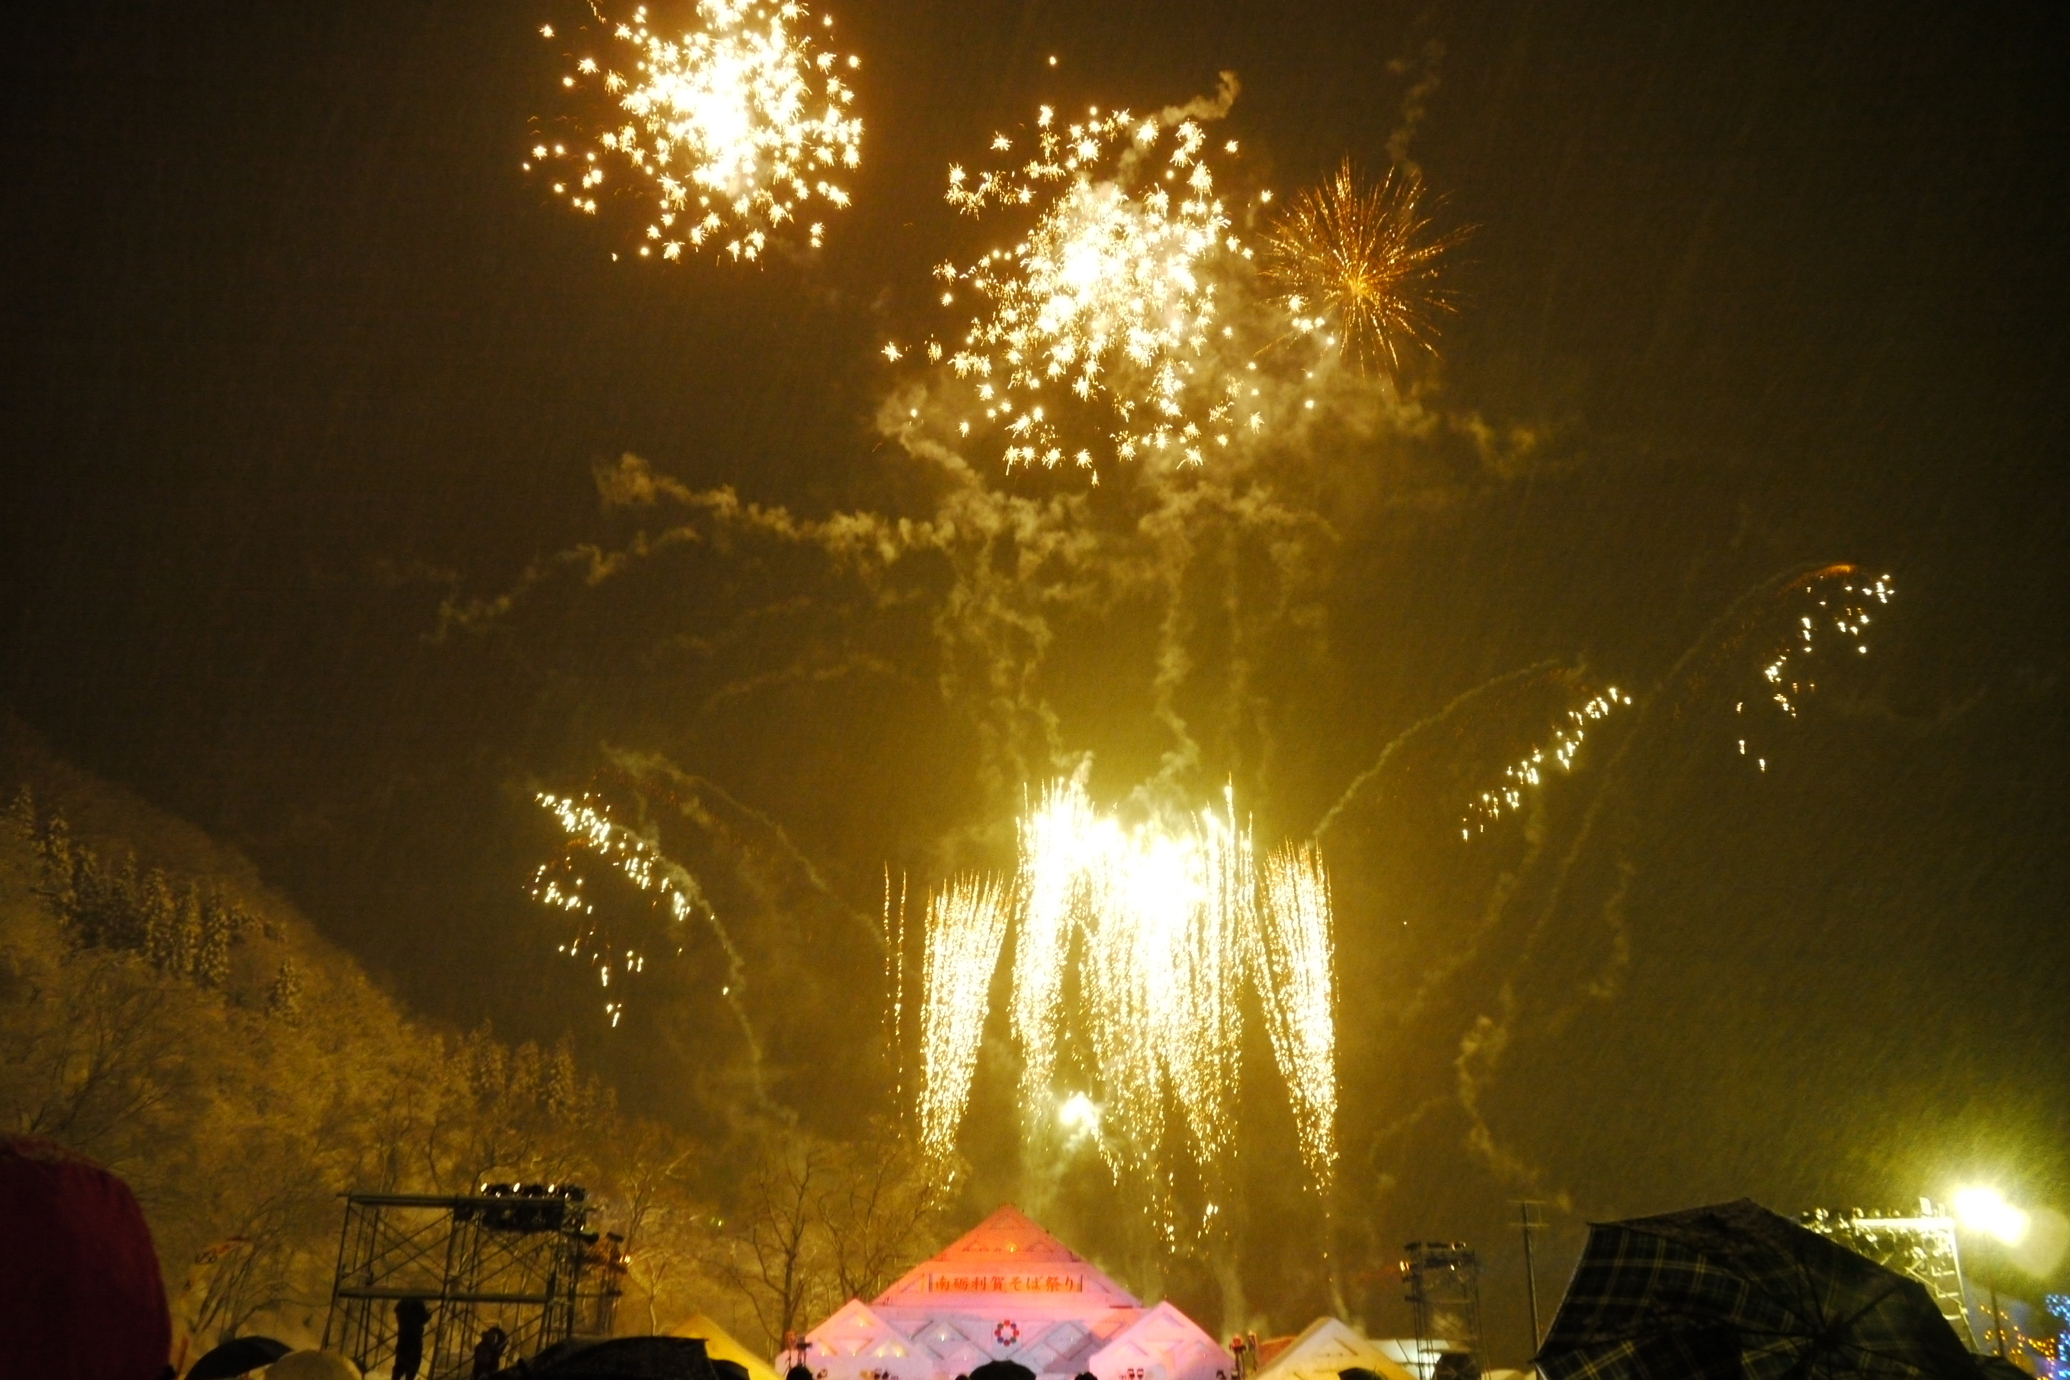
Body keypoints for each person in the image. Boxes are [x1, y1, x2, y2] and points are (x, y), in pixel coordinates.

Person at [392, 1297, 430, 1380]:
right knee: (413, 1365)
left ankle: (396, 1377)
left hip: (403, 1339)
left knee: (400, 1364)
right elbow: (423, 1318)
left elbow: (397, 1314)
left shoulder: (402, 1304)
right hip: (414, 1340)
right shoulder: (418, 1305)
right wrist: (428, 1315)